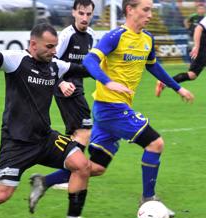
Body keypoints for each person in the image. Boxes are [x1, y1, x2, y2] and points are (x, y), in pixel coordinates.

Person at [29, 0, 195, 217]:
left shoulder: (147, 39)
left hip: (114, 110)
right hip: (110, 108)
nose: (150, 15)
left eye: (151, 10)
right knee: (155, 144)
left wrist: (177, 88)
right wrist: (108, 82)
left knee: (95, 168)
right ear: (130, 10)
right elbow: (89, 61)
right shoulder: (116, 36)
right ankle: (148, 199)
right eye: (145, 10)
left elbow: (153, 65)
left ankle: (44, 181)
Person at [0, 22, 92, 218]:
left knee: (83, 166)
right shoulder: (16, 60)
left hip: (45, 139)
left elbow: (81, 70)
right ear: (33, 45)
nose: (54, 51)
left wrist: (107, 66)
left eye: (55, 46)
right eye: (49, 47)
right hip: (17, 143)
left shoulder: (55, 65)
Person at [29, 0, 95, 195]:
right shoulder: (66, 36)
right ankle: (69, 174)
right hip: (65, 88)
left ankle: (53, 178)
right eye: (81, 13)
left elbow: (89, 64)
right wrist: (61, 83)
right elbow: (50, 61)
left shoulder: (91, 36)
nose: (85, 18)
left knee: (76, 134)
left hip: (78, 87)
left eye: (88, 14)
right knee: (84, 131)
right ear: (74, 13)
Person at [156, 0, 206, 106]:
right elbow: (198, 29)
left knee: (192, 75)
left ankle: (164, 83)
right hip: (204, 48)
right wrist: (197, 47)